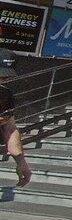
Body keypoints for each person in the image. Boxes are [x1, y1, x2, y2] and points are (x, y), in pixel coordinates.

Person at [0, 49, 30, 187]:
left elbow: (10, 129)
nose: (1, 79)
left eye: (4, 77)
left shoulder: (5, 95)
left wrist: (21, 162)